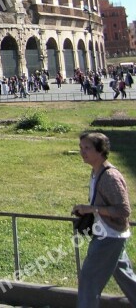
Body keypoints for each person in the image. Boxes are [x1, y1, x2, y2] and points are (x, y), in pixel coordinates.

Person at [73, 131, 136, 306]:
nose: (82, 152)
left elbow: (123, 210)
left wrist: (91, 209)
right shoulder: (96, 173)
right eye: (81, 148)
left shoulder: (110, 177)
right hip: (109, 233)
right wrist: (85, 210)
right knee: (127, 278)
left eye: (87, 148)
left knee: (88, 280)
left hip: (110, 236)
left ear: (101, 151)